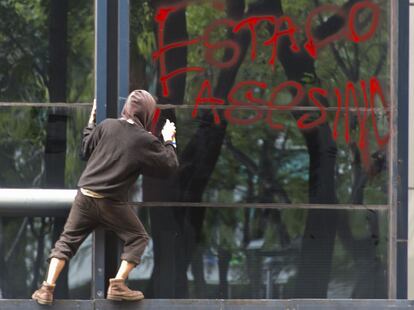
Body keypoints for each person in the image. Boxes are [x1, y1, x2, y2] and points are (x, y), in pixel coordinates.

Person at [32, 90, 179, 305]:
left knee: (65, 243)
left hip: (85, 196)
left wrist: (92, 122)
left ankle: (46, 288)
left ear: (127, 108)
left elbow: (85, 150)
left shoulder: (107, 125)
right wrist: (169, 140)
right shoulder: (144, 140)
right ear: (148, 113)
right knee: (138, 237)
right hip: (111, 202)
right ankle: (118, 284)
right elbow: (169, 165)